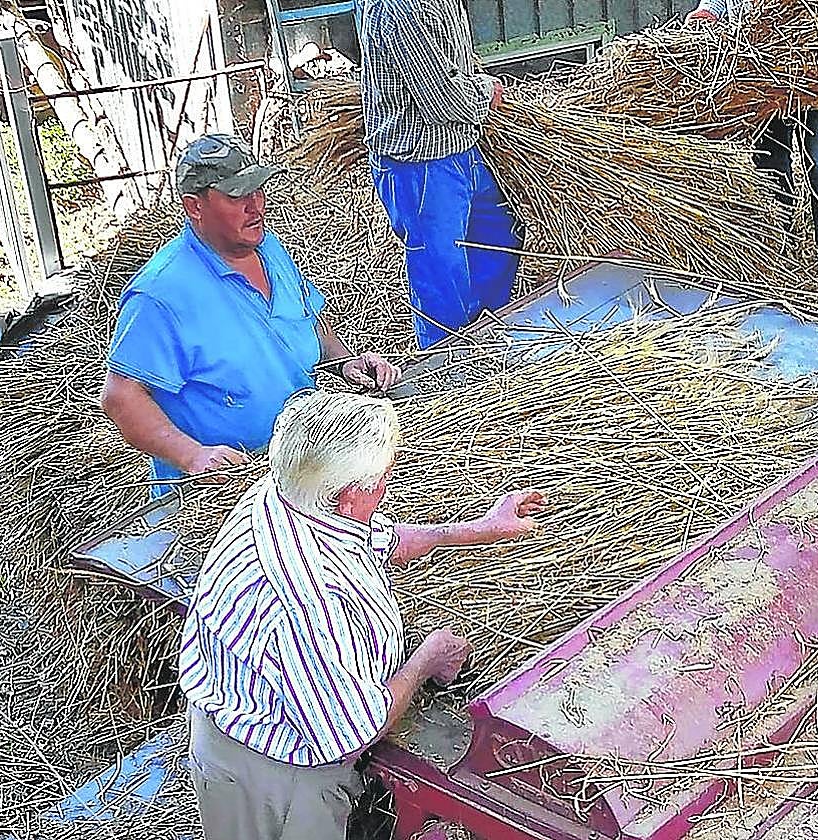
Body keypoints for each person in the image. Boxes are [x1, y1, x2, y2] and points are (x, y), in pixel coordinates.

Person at [180, 390, 548, 840]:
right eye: (385, 477)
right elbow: (354, 729)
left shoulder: (291, 491)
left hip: (259, 724)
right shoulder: (307, 601)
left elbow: (374, 539)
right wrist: (426, 659)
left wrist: (478, 530)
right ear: (352, 496)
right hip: (275, 773)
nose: (390, 481)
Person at [102, 134, 402, 494]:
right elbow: (121, 397)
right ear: (194, 207)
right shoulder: (161, 294)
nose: (256, 206)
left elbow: (309, 319)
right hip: (219, 490)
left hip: (301, 460)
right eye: (237, 196)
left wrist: (345, 362)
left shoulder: (268, 249)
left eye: (258, 190)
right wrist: (193, 456)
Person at [357, 0, 521, 349]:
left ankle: (488, 340)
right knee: (442, 272)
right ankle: (448, 367)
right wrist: (486, 92)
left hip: (464, 147)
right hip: (421, 162)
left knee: (499, 237)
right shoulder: (399, 9)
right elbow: (441, 97)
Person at [688, 1, 818, 269]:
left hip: (816, 79)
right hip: (762, 85)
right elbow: (715, 4)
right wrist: (706, 14)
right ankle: (781, 246)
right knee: (771, 167)